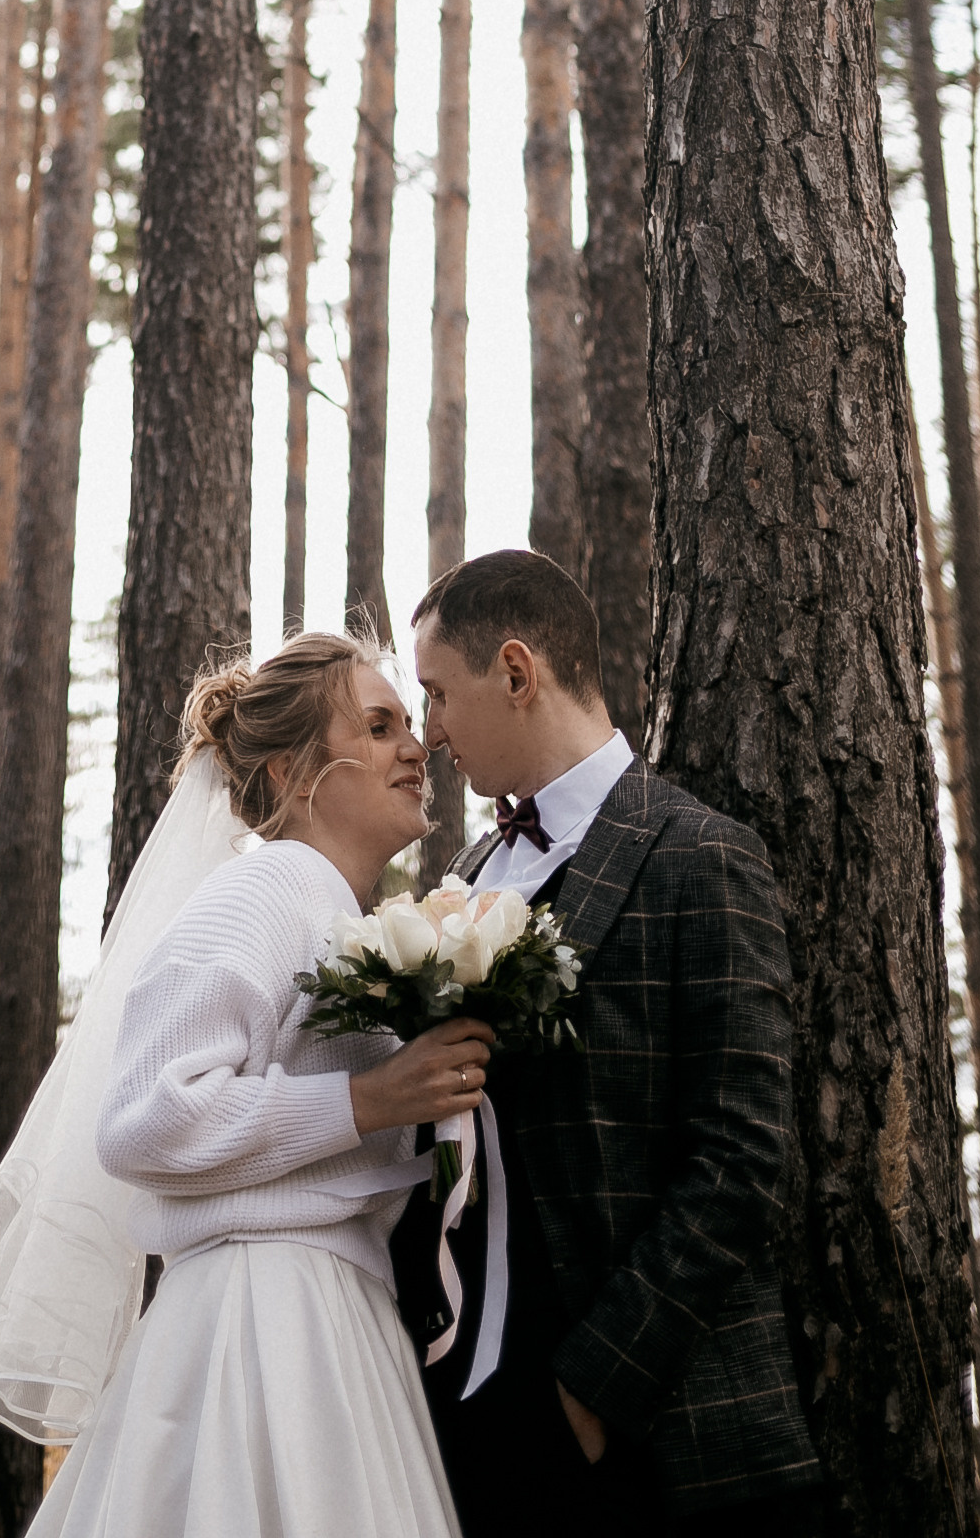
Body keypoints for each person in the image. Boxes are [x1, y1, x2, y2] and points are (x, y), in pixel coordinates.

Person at [0, 631, 487, 1538]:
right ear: (301, 772)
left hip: (341, 1320)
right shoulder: (261, 894)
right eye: (379, 727)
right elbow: (147, 1120)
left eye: (410, 724)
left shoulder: (341, 913)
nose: (416, 748)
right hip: (258, 1332)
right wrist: (368, 1101)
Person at [399, 547, 823, 1538]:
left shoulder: (698, 852)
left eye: (437, 695)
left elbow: (738, 1162)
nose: (432, 734)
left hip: (660, 1434)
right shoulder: (466, 872)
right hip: (469, 1412)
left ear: (514, 673)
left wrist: (589, 1396)